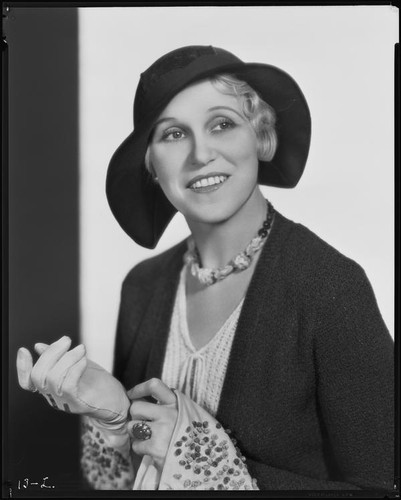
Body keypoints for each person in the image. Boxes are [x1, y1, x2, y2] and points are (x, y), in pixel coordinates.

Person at [16, 45, 394, 491]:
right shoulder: (143, 287)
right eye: (173, 134)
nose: (200, 154)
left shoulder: (331, 287)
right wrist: (117, 419)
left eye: (222, 124)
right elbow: (121, 480)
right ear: (152, 167)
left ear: (261, 136)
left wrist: (202, 463)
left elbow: (383, 489)